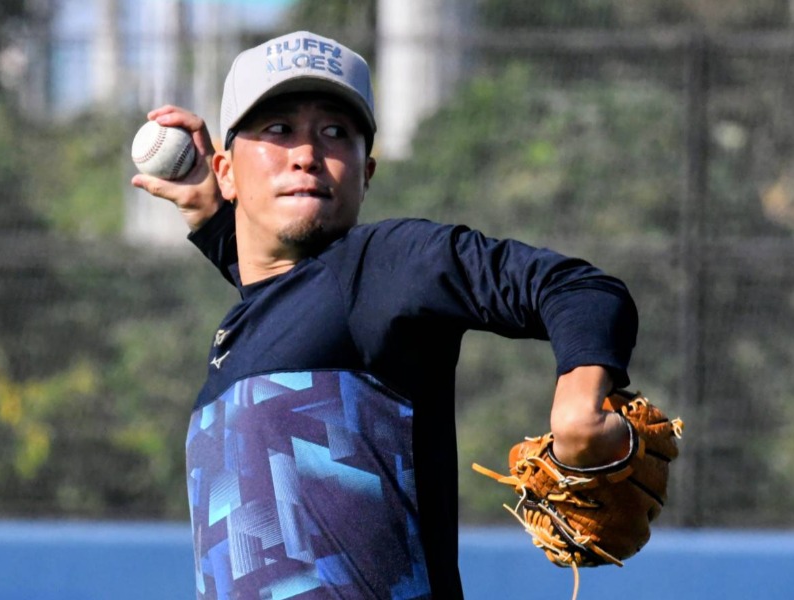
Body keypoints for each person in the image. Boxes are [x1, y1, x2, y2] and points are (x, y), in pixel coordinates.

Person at [132, 30, 637, 600]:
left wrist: (578, 401)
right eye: (278, 130)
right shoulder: (254, 323)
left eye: (335, 133)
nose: (306, 153)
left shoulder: (383, 265)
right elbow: (284, 301)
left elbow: (577, 287)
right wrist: (215, 222)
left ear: (366, 173)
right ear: (226, 170)